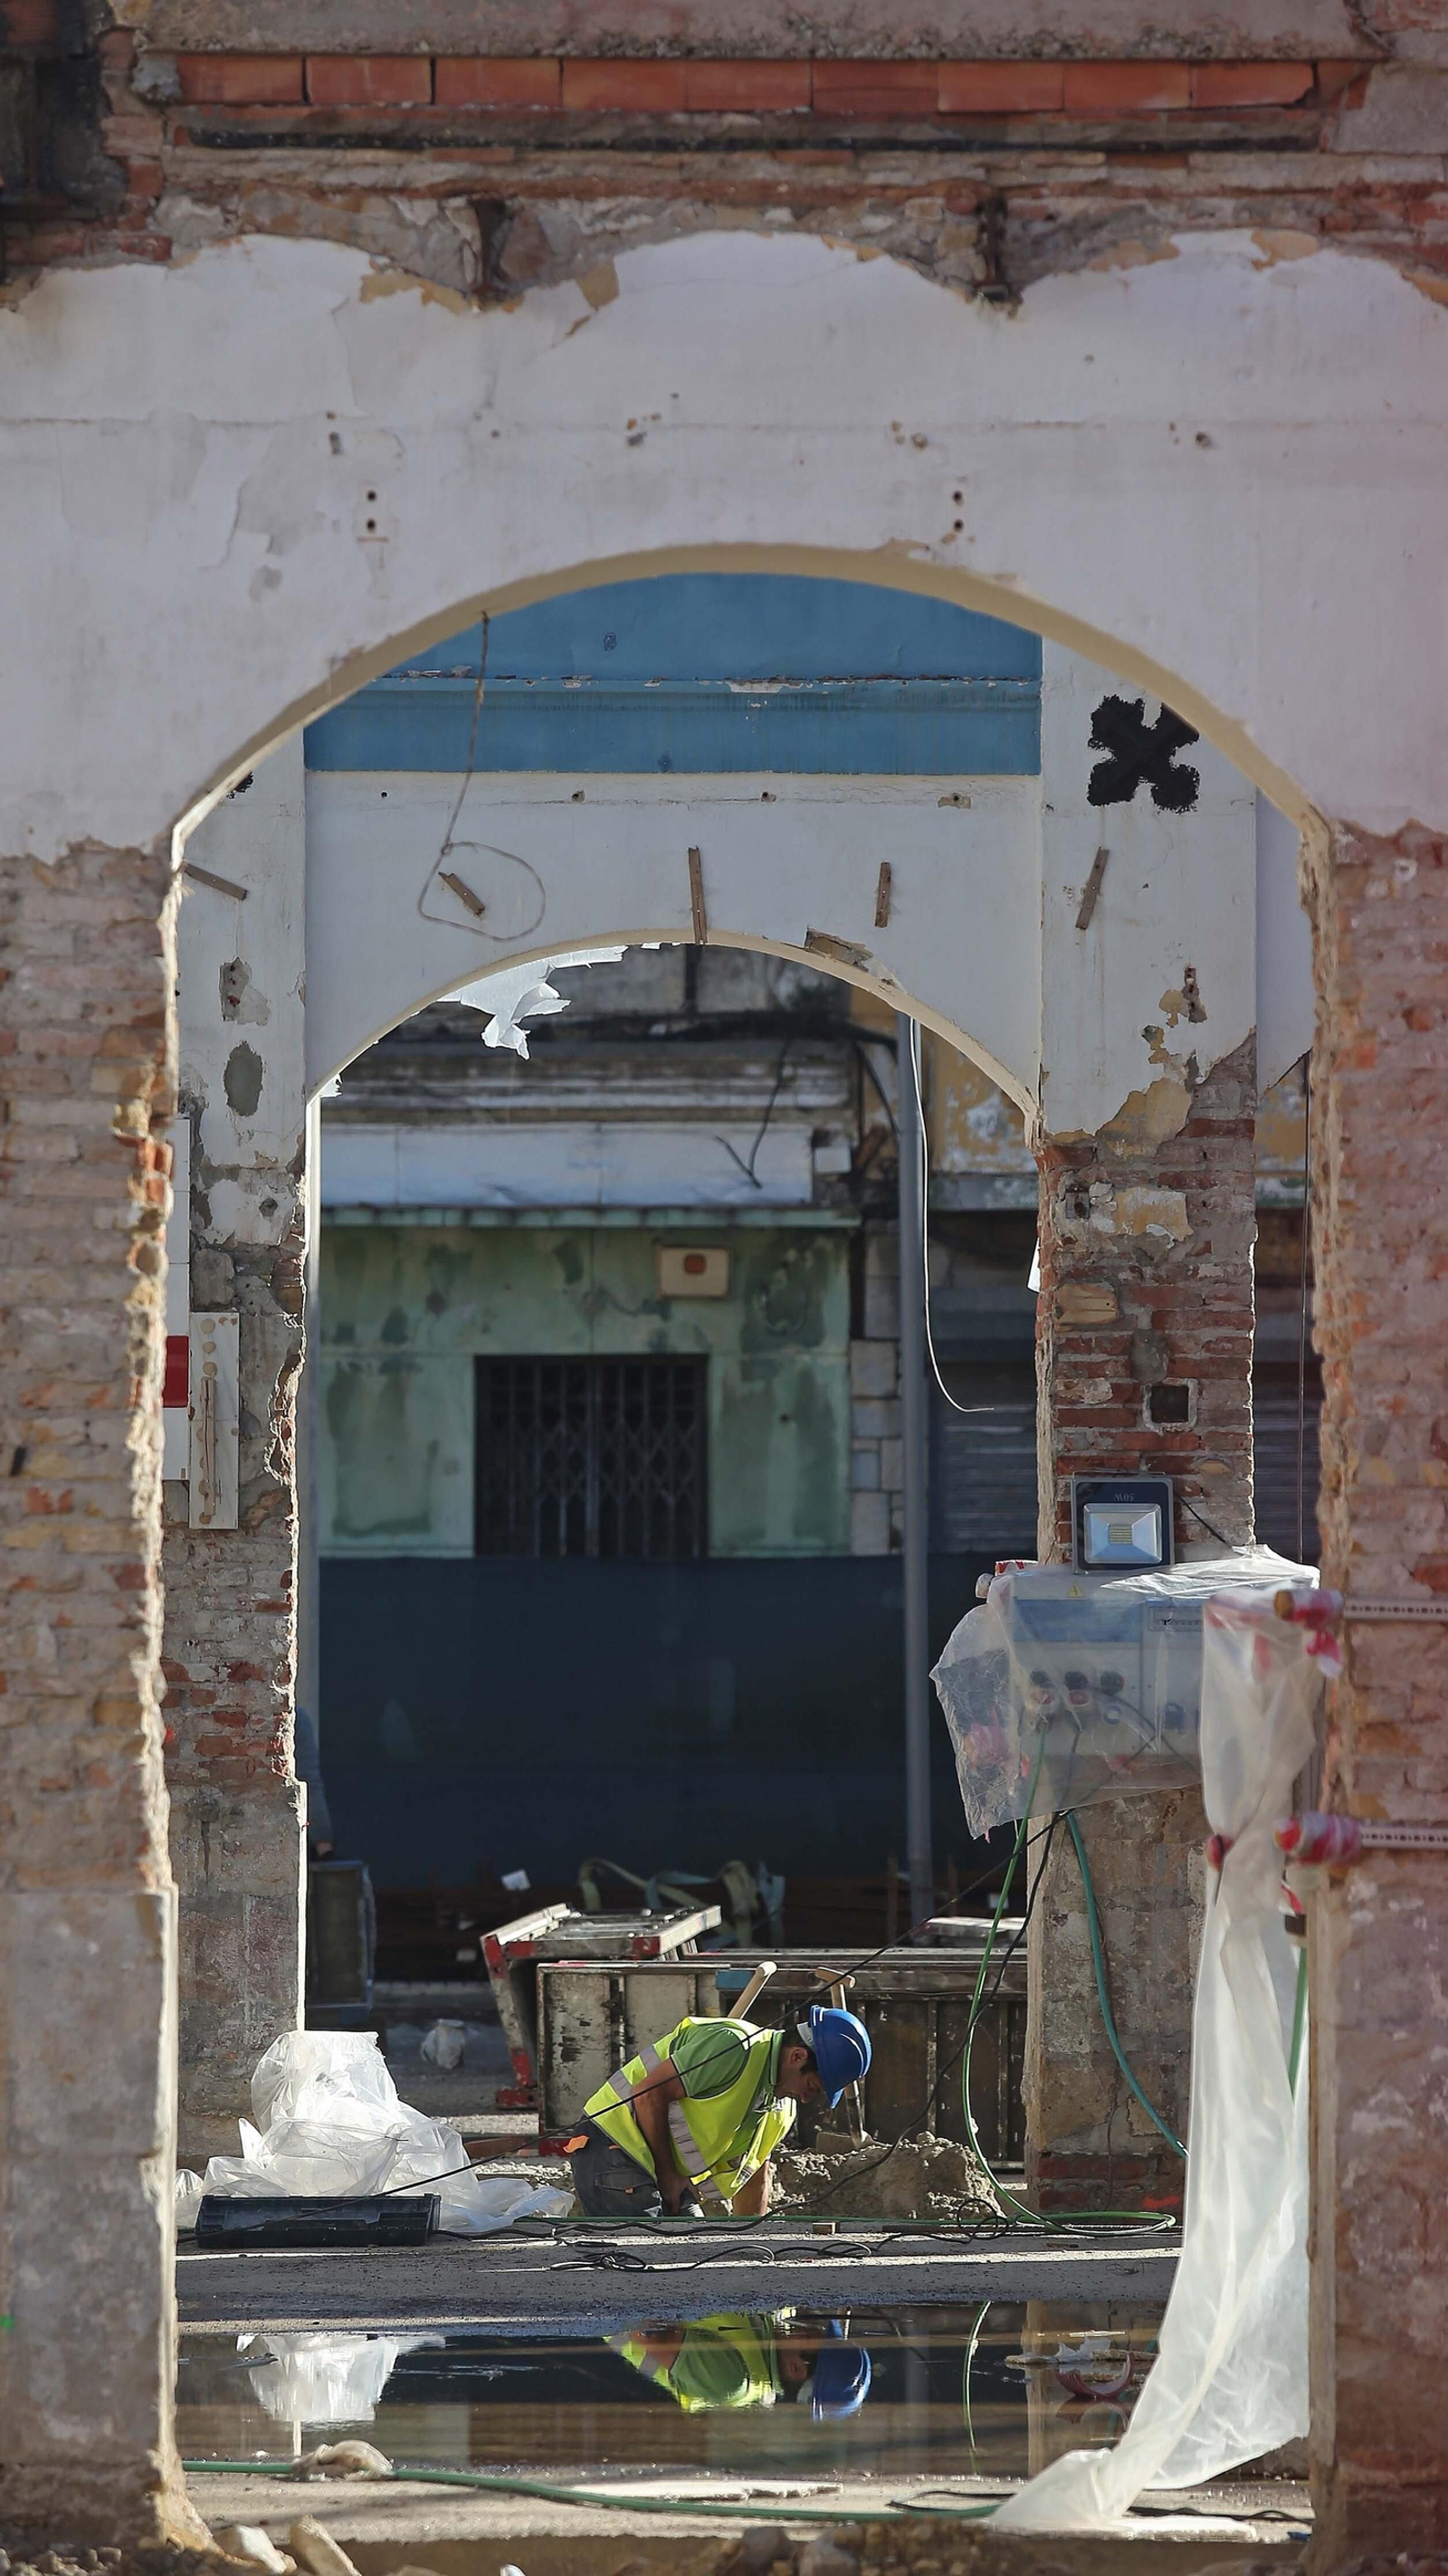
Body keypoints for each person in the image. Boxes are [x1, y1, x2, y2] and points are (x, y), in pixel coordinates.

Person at [568, 2004, 872, 2219]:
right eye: (814, 2086)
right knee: (646, 2263)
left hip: (657, 2164)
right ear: (797, 2056)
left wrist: (748, 2247)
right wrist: (668, 2174)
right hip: (611, 2146)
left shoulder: (780, 2108)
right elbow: (648, 2095)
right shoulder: (735, 2046)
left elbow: (754, 2172)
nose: (807, 2099)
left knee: (697, 2255)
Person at [609, 2310, 872, 2418]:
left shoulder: (731, 2380)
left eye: (814, 2337)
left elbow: (645, 2331)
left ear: (797, 2368)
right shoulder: (773, 2333)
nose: (810, 2327)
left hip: (611, 2309)